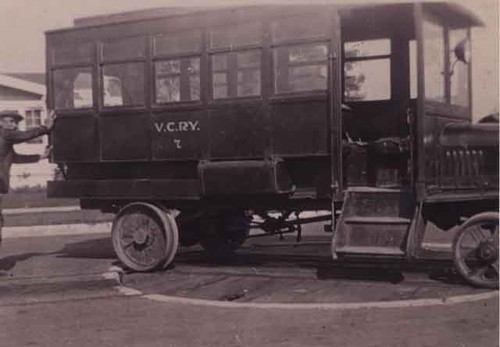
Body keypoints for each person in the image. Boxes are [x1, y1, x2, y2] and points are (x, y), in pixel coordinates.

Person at [0, 110, 56, 244]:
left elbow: (16, 158)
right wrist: (45, 128)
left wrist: (40, 156)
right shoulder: (4, 134)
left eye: (16, 123)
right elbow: (24, 135)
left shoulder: (5, 140)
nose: (14, 126)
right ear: (0, 122)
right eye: (11, 121)